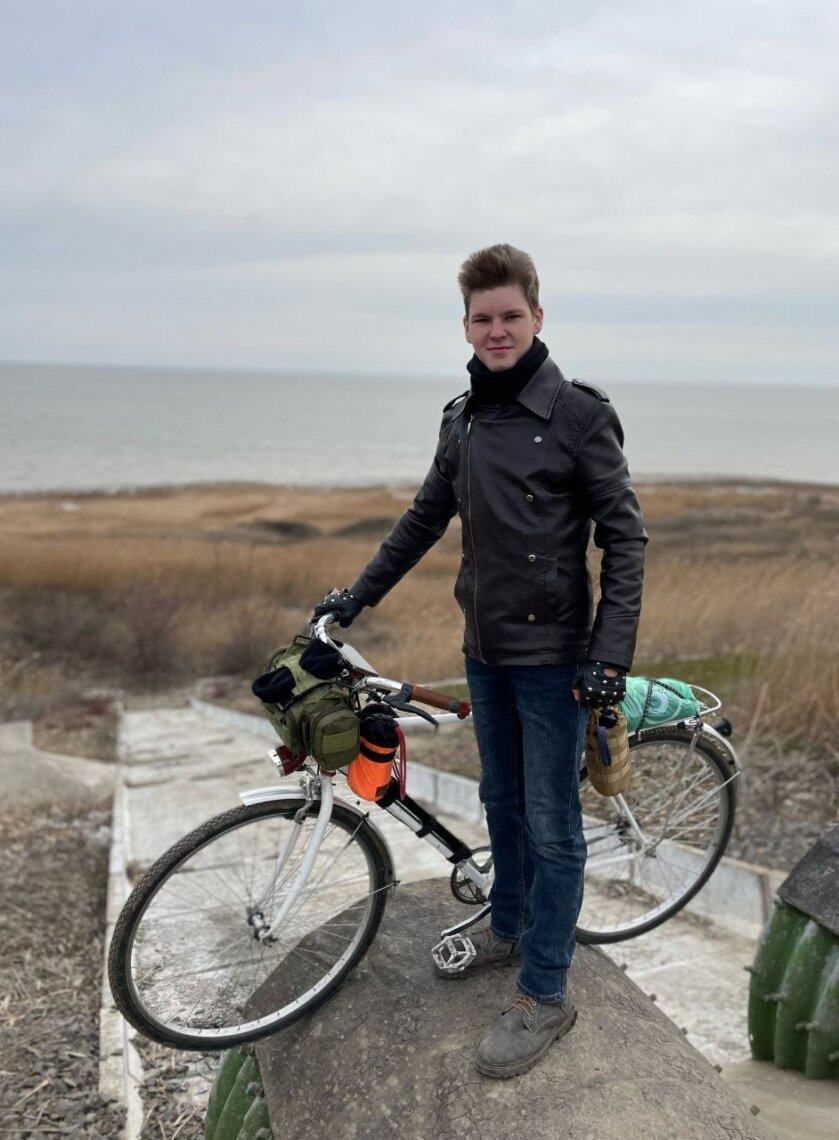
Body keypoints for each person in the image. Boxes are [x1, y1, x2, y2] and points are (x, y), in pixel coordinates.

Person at [312, 243, 647, 1079]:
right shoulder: (460, 418)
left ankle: (546, 992)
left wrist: (607, 657)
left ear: (537, 317)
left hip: (556, 658)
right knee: (500, 799)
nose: (497, 330)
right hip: (485, 650)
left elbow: (625, 539)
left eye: (510, 316)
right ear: (464, 325)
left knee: (551, 823)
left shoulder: (577, 413)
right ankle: (507, 923)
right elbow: (423, 518)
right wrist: (355, 597)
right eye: (481, 318)